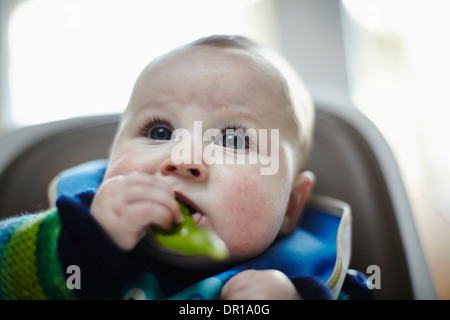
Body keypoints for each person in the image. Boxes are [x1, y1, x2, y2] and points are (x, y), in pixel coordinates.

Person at [0, 35, 371, 300]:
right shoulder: (70, 240)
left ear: (290, 206)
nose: (183, 159)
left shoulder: (313, 283)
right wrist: (77, 249)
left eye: (232, 141)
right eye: (159, 131)